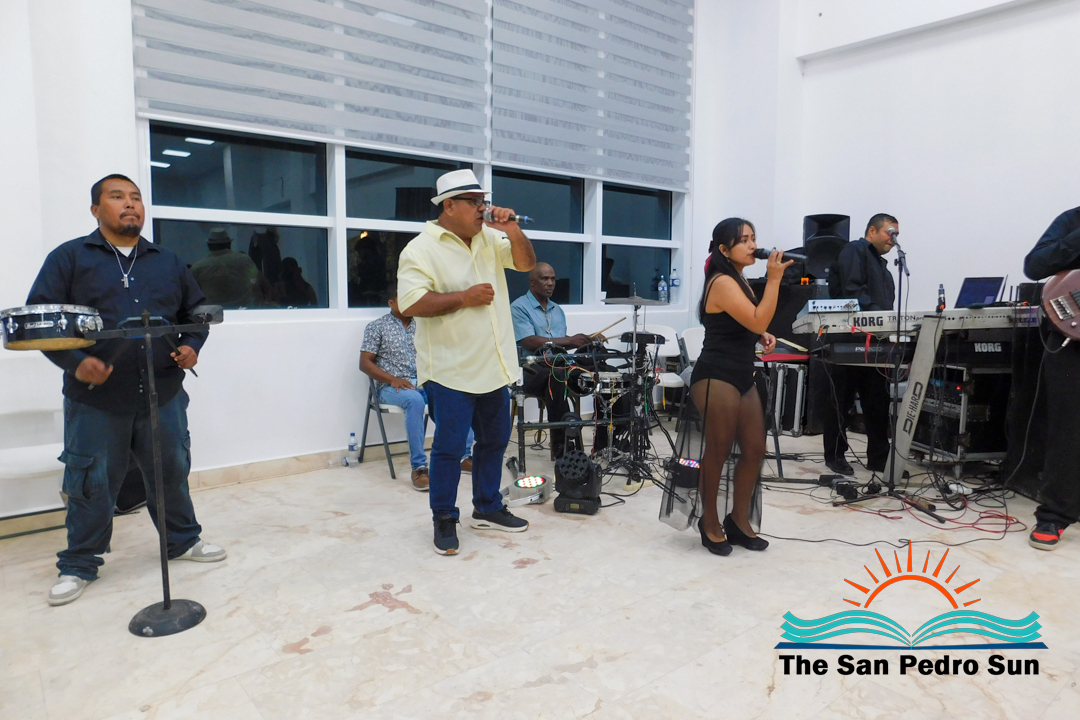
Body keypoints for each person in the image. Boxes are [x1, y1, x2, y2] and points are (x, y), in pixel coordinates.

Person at [26, 174, 226, 606]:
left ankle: (182, 541)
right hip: (96, 399)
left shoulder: (168, 261)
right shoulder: (69, 258)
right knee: (91, 482)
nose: (130, 204)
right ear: (96, 210)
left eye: (135, 197)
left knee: (171, 471)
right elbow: (42, 322)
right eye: (117, 197)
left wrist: (192, 346)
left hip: (163, 392)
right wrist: (77, 363)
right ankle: (79, 564)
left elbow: (196, 313)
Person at [396, 169, 536, 555]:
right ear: (449, 206)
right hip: (450, 370)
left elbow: (526, 264)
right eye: (473, 202)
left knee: (493, 442)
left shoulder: (491, 237)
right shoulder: (420, 249)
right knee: (450, 448)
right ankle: (444, 517)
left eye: (483, 201)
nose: (482, 208)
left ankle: (487, 508)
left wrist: (512, 230)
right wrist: (464, 297)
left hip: (494, 365)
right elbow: (410, 303)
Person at [691, 218, 786, 556]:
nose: (752, 245)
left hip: (743, 372)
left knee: (754, 450)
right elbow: (758, 316)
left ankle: (739, 520)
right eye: (743, 240)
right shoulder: (721, 281)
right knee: (718, 449)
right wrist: (774, 280)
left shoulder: (739, 279)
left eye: (753, 238)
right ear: (724, 249)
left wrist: (758, 334)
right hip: (716, 374)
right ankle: (710, 522)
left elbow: (746, 319)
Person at [360, 282, 474, 491]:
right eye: (405, 300)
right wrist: (392, 379)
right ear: (391, 303)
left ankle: (463, 456)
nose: (410, 304)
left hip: (423, 381)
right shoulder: (377, 327)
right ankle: (419, 468)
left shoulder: (423, 324)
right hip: (391, 387)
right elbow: (365, 363)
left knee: (454, 396)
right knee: (414, 401)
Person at [819, 213, 898, 476]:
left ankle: (879, 457)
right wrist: (879, 314)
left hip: (876, 341)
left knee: (878, 402)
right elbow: (853, 292)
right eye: (889, 232)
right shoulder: (854, 250)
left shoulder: (884, 269)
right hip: (849, 338)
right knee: (840, 400)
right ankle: (835, 455)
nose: (893, 239)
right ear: (872, 231)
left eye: (896, 234)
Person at [1023, 205, 1080, 550]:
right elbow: (1034, 266)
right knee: (1067, 428)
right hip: (1072, 341)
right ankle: (1054, 515)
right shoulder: (1072, 220)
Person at [511, 263, 593, 458]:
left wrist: (583, 341)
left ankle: (606, 442)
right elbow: (529, 341)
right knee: (557, 377)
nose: (550, 283)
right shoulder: (518, 307)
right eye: (545, 279)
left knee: (597, 370)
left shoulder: (557, 310)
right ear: (532, 282)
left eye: (553, 279)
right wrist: (570, 340)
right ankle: (562, 448)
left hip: (558, 365)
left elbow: (559, 345)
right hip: (529, 370)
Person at [189, 227, 262, 307]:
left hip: (214, 313)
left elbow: (192, 295)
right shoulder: (245, 260)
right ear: (229, 244)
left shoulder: (198, 267)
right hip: (243, 311)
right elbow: (256, 284)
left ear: (209, 245)